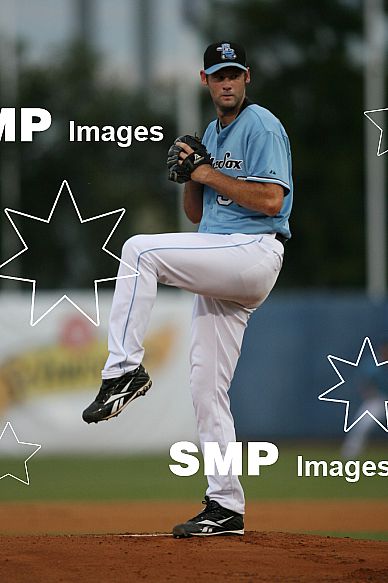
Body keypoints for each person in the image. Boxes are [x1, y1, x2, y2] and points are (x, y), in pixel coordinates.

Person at [82, 41, 293, 538]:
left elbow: (269, 199)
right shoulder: (213, 136)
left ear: (247, 77)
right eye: (219, 75)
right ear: (205, 80)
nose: (227, 83)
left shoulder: (260, 123)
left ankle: (123, 373)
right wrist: (191, 178)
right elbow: (196, 217)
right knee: (205, 389)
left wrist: (202, 170)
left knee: (139, 250)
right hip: (220, 260)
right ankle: (226, 506)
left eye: (234, 74)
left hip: (252, 251)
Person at [341, 342, 388, 459]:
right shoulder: (372, 364)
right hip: (378, 399)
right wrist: (369, 393)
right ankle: (350, 453)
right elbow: (364, 382)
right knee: (362, 424)